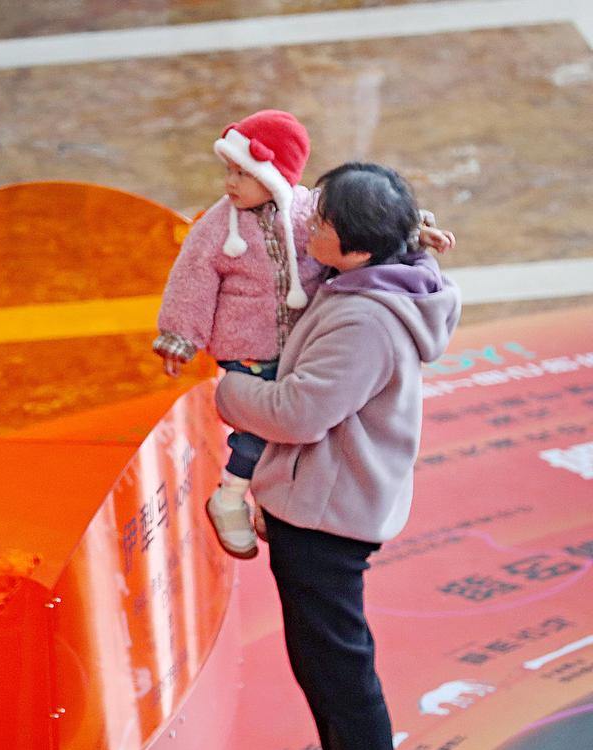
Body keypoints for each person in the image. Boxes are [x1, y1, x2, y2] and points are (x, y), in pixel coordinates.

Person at [214, 162, 462, 750]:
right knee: (327, 665)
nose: (308, 227)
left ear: (357, 247)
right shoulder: (380, 274)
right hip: (327, 498)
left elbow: (299, 413)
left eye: (321, 222)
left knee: (337, 674)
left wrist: (228, 391)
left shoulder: (364, 321)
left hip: (326, 517)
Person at [153, 110, 453, 560]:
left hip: (301, 342)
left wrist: (412, 231)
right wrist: (180, 333)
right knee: (260, 430)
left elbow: (364, 224)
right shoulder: (216, 228)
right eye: (229, 170)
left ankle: (270, 502)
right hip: (249, 349)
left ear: (276, 174)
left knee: (292, 427)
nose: (230, 183)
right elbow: (192, 280)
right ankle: (230, 496)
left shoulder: (308, 211)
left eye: (243, 173)